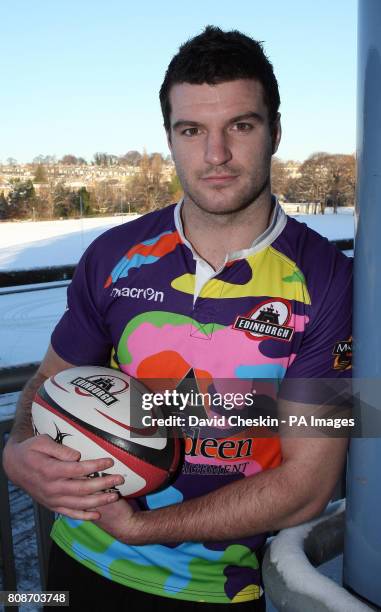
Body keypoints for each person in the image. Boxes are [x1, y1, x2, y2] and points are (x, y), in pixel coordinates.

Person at [3, 25, 352, 610]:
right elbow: (45, 383)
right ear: (169, 138)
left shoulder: (329, 280)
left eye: (240, 126)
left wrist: (141, 528)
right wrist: (16, 452)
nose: (215, 155)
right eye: (192, 130)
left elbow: (308, 486)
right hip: (76, 560)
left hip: (219, 588)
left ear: (275, 132)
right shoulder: (114, 255)